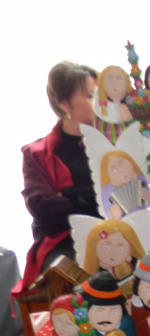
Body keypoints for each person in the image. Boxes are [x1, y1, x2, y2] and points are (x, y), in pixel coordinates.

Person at [19, 62, 100, 289]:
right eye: (90, 96)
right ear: (65, 104)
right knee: (68, 279)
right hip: (64, 240)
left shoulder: (112, 145)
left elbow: (126, 196)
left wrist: (68, 194)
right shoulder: (36, 153)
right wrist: (94, 199)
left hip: (113, 233)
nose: (100, 103)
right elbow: (41, 207)